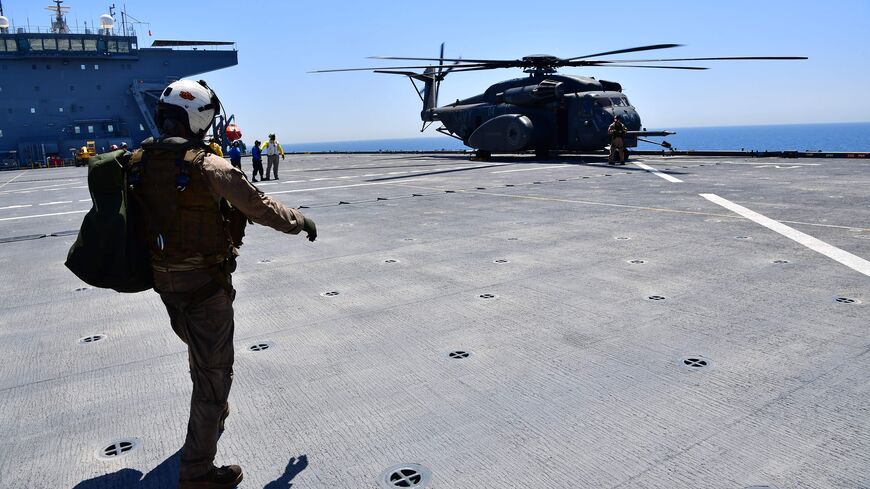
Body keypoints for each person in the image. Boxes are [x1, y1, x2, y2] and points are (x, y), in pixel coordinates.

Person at [127, 79, 317, 489]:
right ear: (196, 116)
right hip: (205, 286)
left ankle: (213, 415)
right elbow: (259, 206)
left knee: (201, 359)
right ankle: (197, 470)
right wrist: (299, 221)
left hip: (165, 282)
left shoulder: (137, 159)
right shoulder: (207, 165)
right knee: (214, 376)